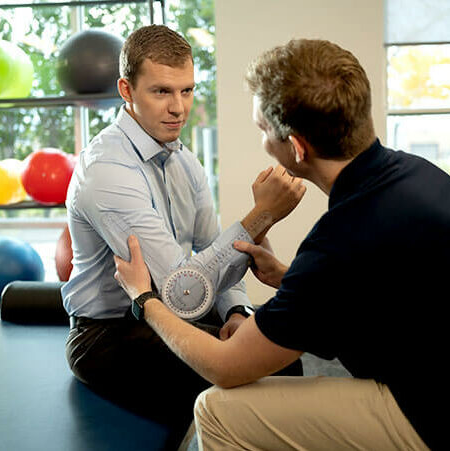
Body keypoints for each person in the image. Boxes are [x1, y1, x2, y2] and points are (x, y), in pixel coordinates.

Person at [113, 38, 448, 450]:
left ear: (296, 148)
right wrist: (291, 279)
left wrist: (144, 298)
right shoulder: (418, 175)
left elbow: (224, 367)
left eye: (262, 130)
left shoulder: (337, 242)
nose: (178, 106)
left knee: (215, 409)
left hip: (427, 415)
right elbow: (388, 285)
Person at [61, 24, 304, 449]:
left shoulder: (183, 161)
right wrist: (263, 214)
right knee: (261, 380)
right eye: (161, 92)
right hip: (110, 335)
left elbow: (216, 250)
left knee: (278, 358)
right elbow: (183, 291)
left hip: (176, 310)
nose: (178, 108)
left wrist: (237, 314)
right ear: (126, 89)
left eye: (187, 91)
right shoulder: (107, 171)